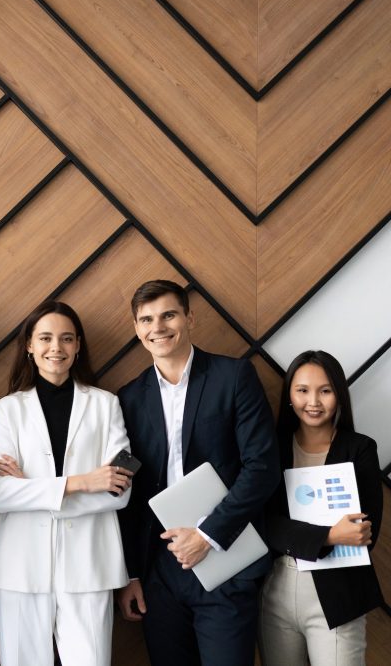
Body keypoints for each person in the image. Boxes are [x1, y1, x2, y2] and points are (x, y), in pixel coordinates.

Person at [116, 279, 279, 666]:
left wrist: (207, 534)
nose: (158, 327)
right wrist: (132, 574)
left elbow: (263, 467)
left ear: (189, 317)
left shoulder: (235, 376)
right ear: (138, 329)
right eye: (147, 319)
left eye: (168, 314)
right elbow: (130, 493)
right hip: (159, 572)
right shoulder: (128, 398)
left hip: (226, 560)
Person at [0, 300, 134, 666]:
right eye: (46, 338)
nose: (57, 348)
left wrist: (31, 489)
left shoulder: (106, 405)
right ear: (30, 346)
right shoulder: (7, 410)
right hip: (20, 567)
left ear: (78, 345)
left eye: (67, 339)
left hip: (89, 564)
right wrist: (82, 482)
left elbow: (119, 491)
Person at [258, 350, 383, 666]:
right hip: (276, 591)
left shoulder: (360, 449)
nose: (313, 401)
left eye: (325, 391)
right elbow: (262, 523)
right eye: (302, 390)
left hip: (339, 592)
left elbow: (364, 532)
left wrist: (298, 534)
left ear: (339, 394)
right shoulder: (270, 447)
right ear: (289, 395)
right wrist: (328, 535)